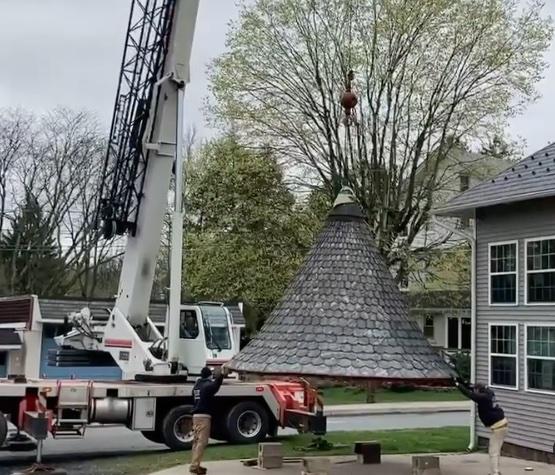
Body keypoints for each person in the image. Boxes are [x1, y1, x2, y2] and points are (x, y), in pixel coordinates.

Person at [455, 378, 508, 475]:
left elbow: (470, 394)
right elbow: (472, 388)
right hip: (502, 424)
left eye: (476, 390)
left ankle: (495, 473)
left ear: (479, 390)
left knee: (493, 451)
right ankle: (496, 471)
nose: (474, 390)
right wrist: (463, 382)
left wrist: (458, 385)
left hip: (498, 427)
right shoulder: (489, 392)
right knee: (496, 450)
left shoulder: (483, 398)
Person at [190, 366, 226, 474]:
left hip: (195, 416)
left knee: (196, 442)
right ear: (209, 375)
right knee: (202, 441)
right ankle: (195, 465)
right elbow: (216, 385)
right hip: (204, 416)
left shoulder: (196, 387)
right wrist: (222, 375)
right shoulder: (207, 386)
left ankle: (195, 464)